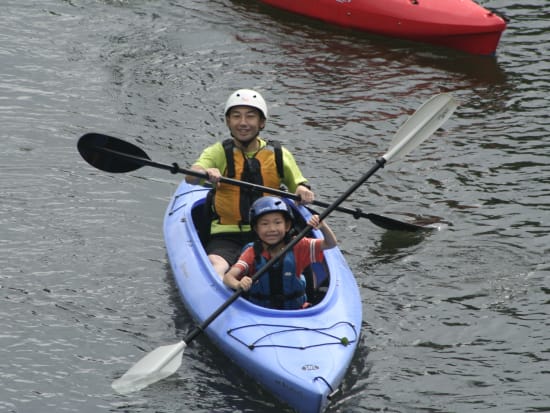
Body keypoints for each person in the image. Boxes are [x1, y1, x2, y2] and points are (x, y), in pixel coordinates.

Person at [186, 89, 315, 277]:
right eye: (236, 116)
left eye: (250, 117)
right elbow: (190, 176)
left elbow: (298, 184)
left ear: (261, 122)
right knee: (216, 265)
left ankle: (304, 299)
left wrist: (303, 190)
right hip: (227, 233)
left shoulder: (278, 154)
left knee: (297, 263)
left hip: (270, 231)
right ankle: (220, 295)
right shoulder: (218, 152)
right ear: (228, 121)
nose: (243, 123)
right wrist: (205, 172)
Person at [223, 196, 337, 310]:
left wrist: (322, 226)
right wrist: (238, 284)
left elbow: (330, 243)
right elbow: (228, 277)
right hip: (260, 313)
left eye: (277, 222)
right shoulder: (252, 253)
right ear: (256, 229)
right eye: (264, 224)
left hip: (296, 312)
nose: (272, 229)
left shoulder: (299, 245)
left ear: (287, 226)